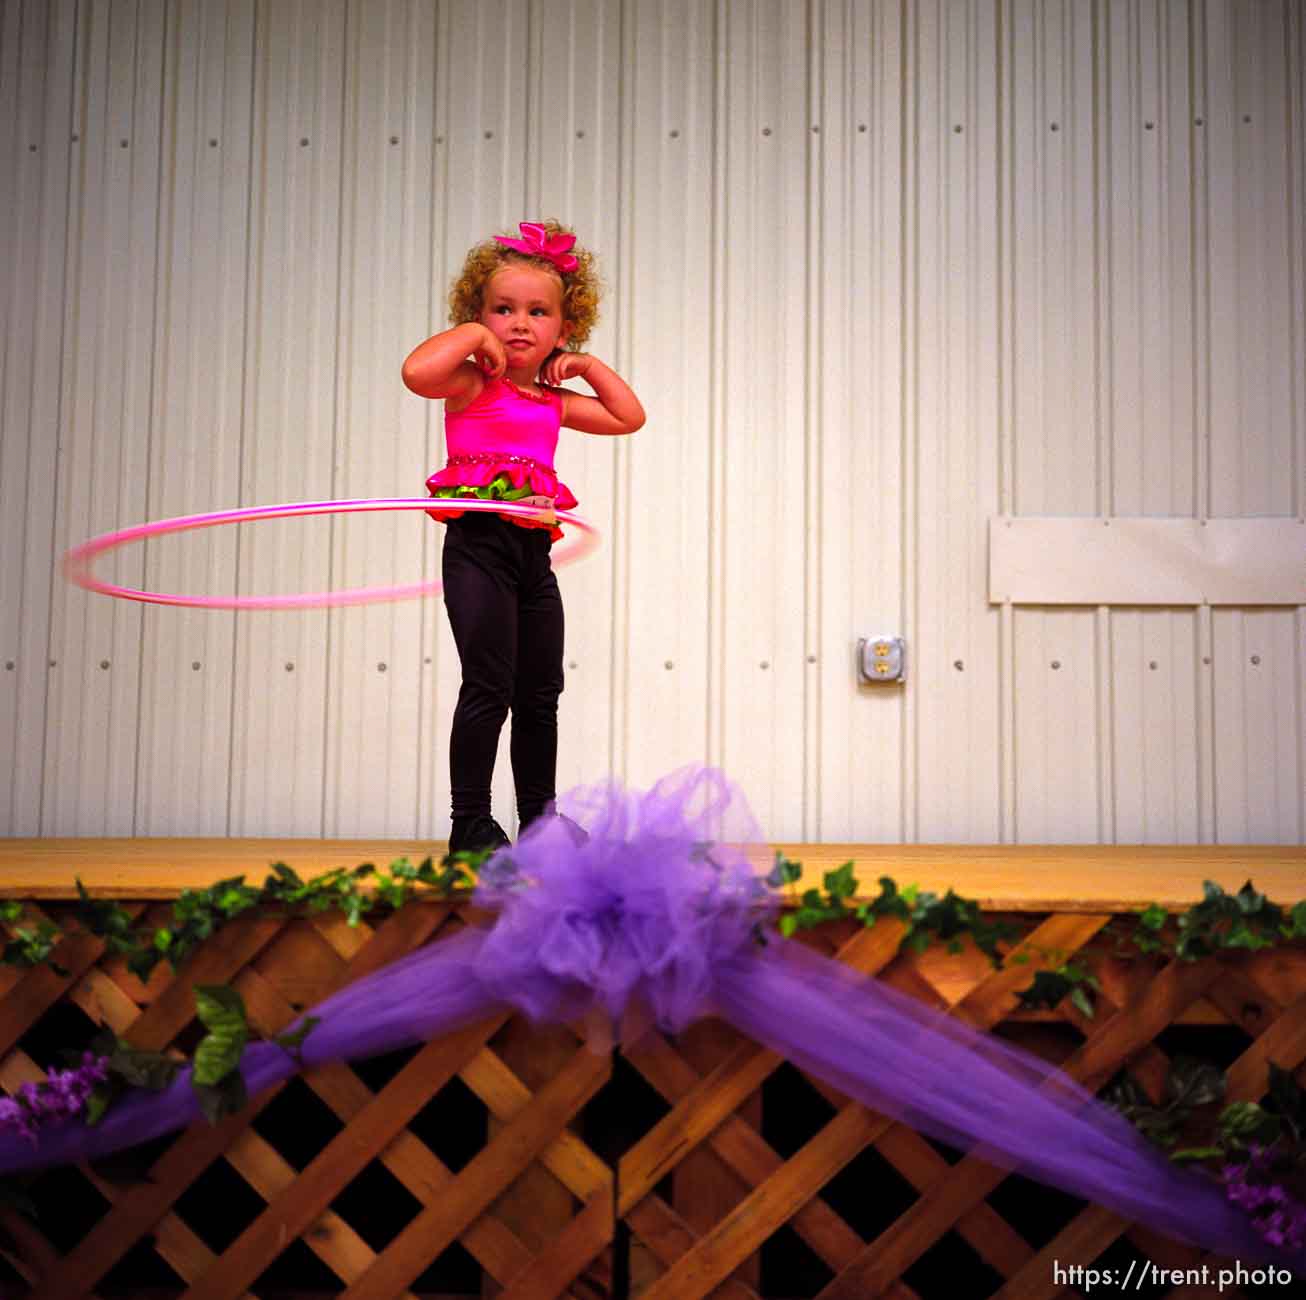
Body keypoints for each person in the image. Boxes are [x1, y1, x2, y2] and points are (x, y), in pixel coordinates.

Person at [402, 221, 644, 855]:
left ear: (562, 331)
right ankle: (471, 823)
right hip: (479, 549)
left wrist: (588, 366)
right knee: (490, 682)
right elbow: (416, 371)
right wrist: (471, 339)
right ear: (477, 317)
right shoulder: (471, 383)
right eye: (501, 310)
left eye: (538, 312)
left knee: (541, 691)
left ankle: (540, 818)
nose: (518, 322)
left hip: (533, 558)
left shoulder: (554, 401)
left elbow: (628, 416)